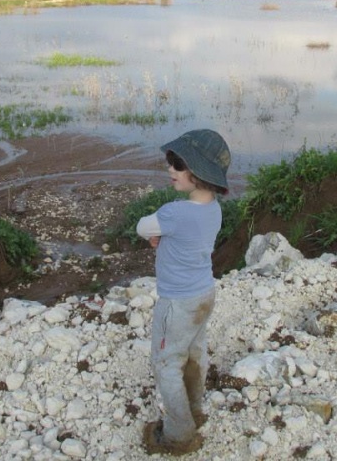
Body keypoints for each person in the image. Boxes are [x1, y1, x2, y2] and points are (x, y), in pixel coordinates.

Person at [136, 128, 231, 455]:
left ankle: (179, 434)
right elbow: (184, 236)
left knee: (166, 363)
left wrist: (159, 234)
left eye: (177, 164)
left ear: (197, 173)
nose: (170, 170)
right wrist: (167, 237)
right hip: (205, 294)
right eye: (170, 162)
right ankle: (195, 410)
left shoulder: (174, 213)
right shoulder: (214, 209)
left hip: (176, 304)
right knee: (195, 354)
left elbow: (142, 227)